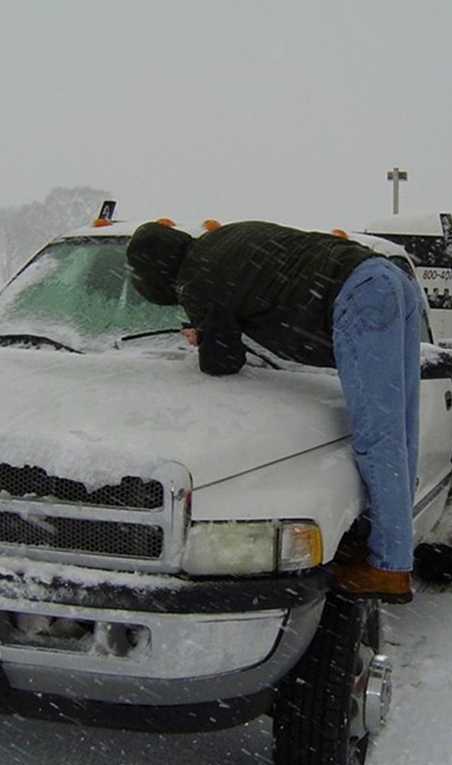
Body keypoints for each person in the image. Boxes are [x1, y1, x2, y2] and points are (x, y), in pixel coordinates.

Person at [126, 220, 422, 603]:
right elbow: (261, 284)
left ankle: (389, 569)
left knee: (376, 434)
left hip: (359, 295)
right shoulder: (218, 241)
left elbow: (223, 362)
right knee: (399, 426)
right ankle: (387, 549)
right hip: (386, 279)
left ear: (156, 278)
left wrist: (205, 336)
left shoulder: (196, 280)